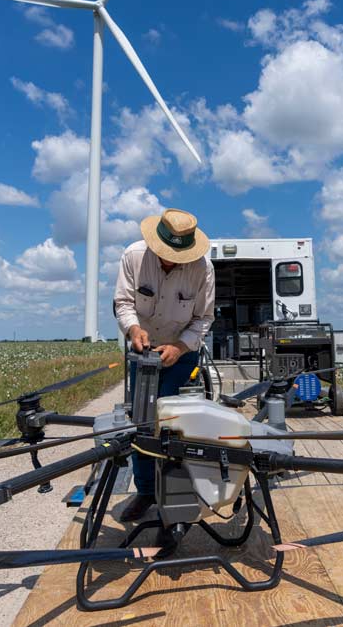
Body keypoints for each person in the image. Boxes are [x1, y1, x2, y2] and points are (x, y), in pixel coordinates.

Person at [113, 208, 215, 523]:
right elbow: (124, 303)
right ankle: (145, 492)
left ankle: (179, 493)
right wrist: (133, 329)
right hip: (143, 352)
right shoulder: (133, 256)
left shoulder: (202, 269)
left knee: (177, 424)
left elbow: (203, 318)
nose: (171, 261)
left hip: (182, 355)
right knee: (142, 422)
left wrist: (180, 346)